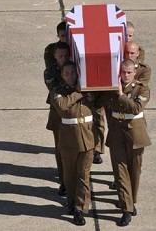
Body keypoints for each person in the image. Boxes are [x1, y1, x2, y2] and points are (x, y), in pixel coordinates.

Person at [95, 59, 151, 226]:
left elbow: (136, 108)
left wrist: (120, 95)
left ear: (134, 73)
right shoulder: (112, 88)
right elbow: (97, 102)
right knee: (120, 172)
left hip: (135, 134)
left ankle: (131, 201)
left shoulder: (142, 88)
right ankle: (126, 208)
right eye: (123, 72)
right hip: (117, 133)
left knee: (135, 170)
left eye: (129, 72)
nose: (125, 76)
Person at [50, 61, 97, 226]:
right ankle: (71, 200)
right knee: (69, 175)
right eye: (67, 73)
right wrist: (79, 91)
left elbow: (101, 101)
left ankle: (80, 209)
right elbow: (62, 107)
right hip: (68, 140)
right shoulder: (57, 92)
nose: (70, 75)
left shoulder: (88, 90)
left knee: (83, 175)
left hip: (87, 138)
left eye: (73, 72)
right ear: (62, 76)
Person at [44, 42, 70, 196]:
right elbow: (57, 93)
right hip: (58, 114)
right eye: (60, 56)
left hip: (75, 115)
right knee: (60, 149)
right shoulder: (50, 72)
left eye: (66, 55)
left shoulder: (76, 68)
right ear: (54, 56)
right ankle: (64, 181)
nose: (63, 58)